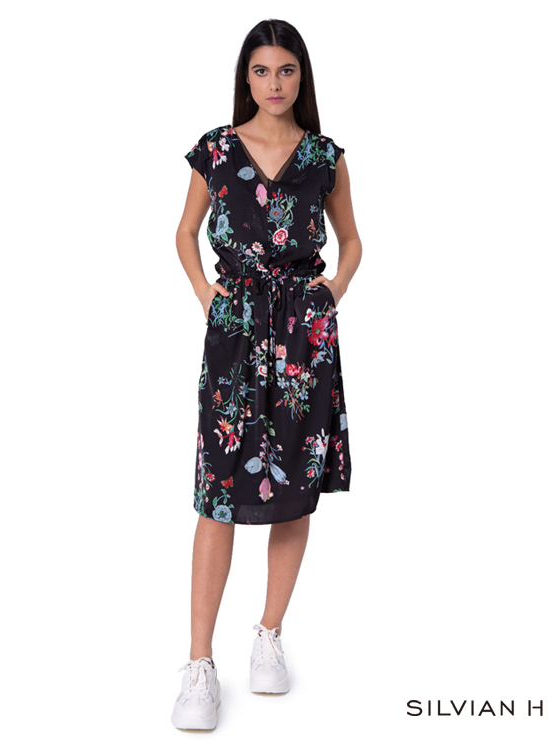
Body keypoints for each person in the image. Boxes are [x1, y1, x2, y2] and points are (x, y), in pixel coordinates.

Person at [172, 18, 362, 730]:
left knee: (294, 492)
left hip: (304, 339)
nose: (274, 83)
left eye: (286, 70)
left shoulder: (324, 157)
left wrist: (331, 292)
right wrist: (205, 292)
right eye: (261, 70)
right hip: (234, 333)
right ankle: (199, 664)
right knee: (218, 492)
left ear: (301, 76)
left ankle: (269, 636)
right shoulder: (217, 151)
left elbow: (354, 241)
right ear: (244, 77)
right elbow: (184, 232)